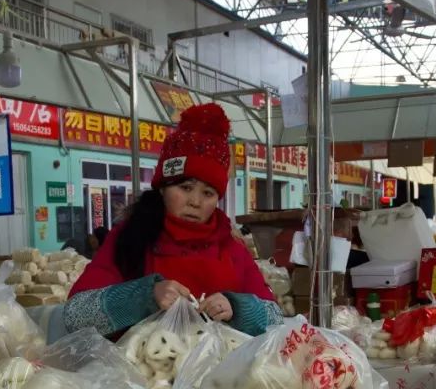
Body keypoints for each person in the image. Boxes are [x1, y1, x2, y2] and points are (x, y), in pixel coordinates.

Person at [64, 103, 283, 337]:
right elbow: (75, 316)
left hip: (221, 371)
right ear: (163, 188)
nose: (195, 202)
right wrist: (145, 296)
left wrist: (237, 308)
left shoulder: (231, 246)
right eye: (186, 187)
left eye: (207, 193)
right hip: (138, 370)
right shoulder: (130, 238)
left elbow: (276, 318)